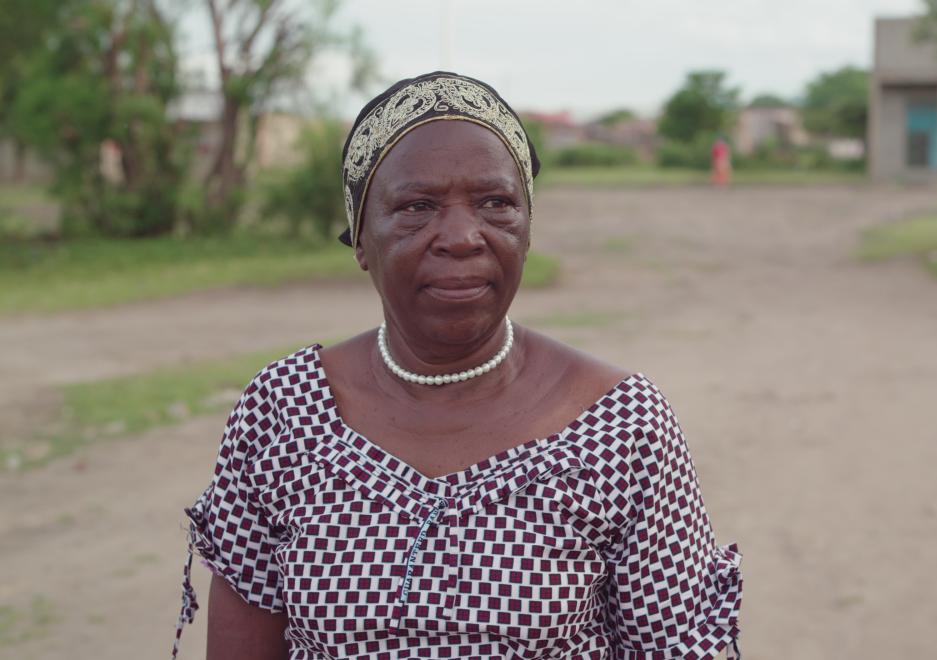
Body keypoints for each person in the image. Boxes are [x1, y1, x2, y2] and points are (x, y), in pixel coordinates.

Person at [173, 72, 742, 659]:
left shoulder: (621, 425)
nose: (463, 237)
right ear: (361, 240)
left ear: (526, 229)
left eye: (496, 203)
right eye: (417, 206)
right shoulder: (283, 411)